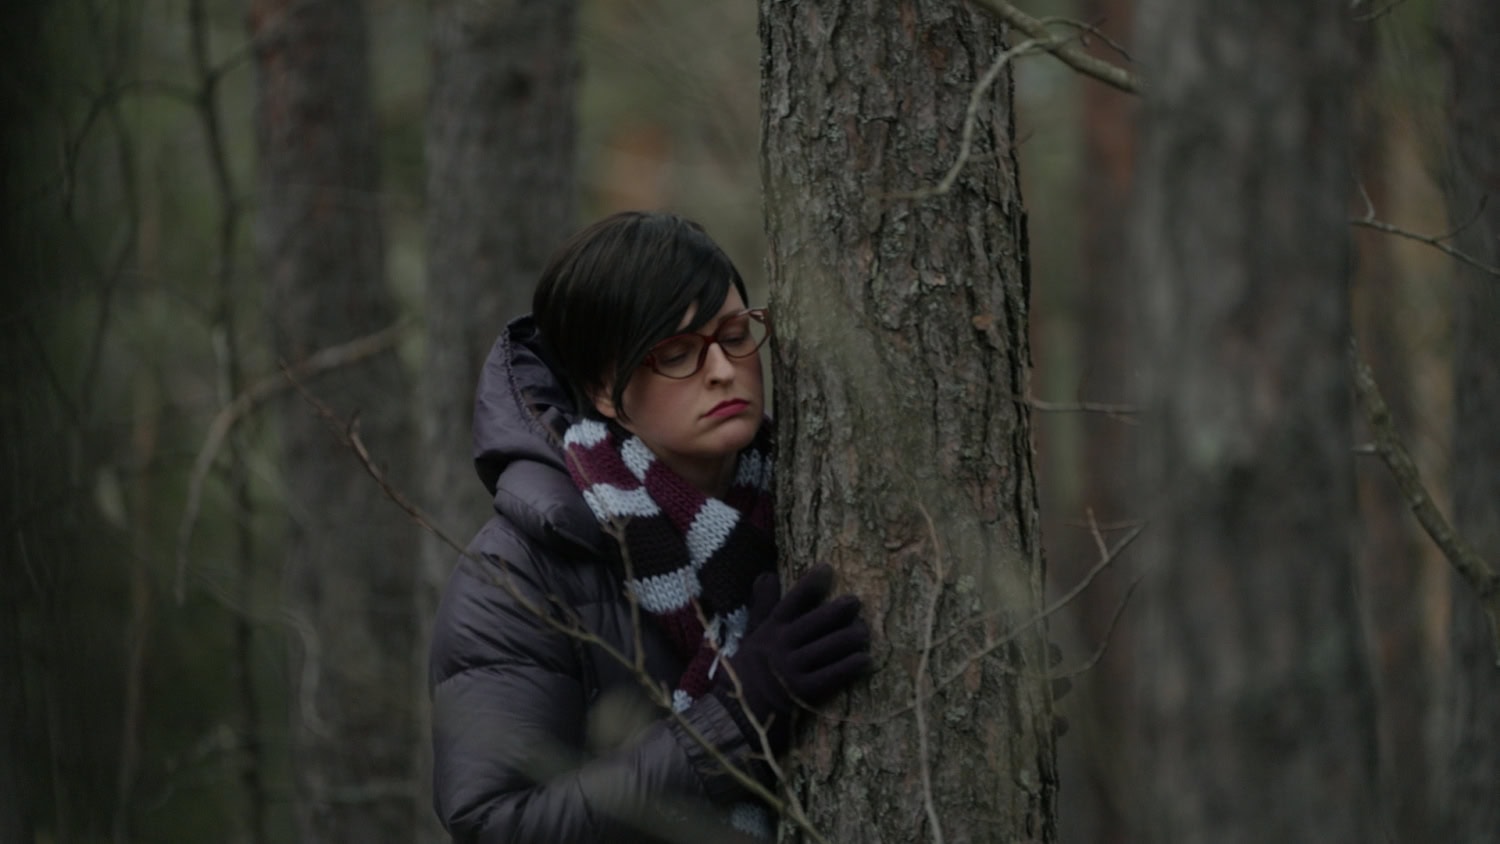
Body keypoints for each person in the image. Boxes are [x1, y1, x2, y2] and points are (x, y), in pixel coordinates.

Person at [428, 211, 873, 843]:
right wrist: (734, 722)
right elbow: (497, 825)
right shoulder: (515, 574)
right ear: (604, 389)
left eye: (735, 336)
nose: (723, 370)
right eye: (677, 354)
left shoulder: (810, 501)